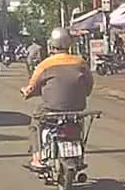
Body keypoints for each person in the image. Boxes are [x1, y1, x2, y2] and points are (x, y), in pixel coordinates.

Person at [22, 27, 94, 169]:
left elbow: (32, 86)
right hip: (77, 107)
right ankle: (78, 156)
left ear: (51, 44)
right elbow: (89, 84)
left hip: (52, 108)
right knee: (78, 123)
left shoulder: (45, 64)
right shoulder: (80, 62)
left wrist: (27, 92)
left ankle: (36, 158)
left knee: (35, 123)